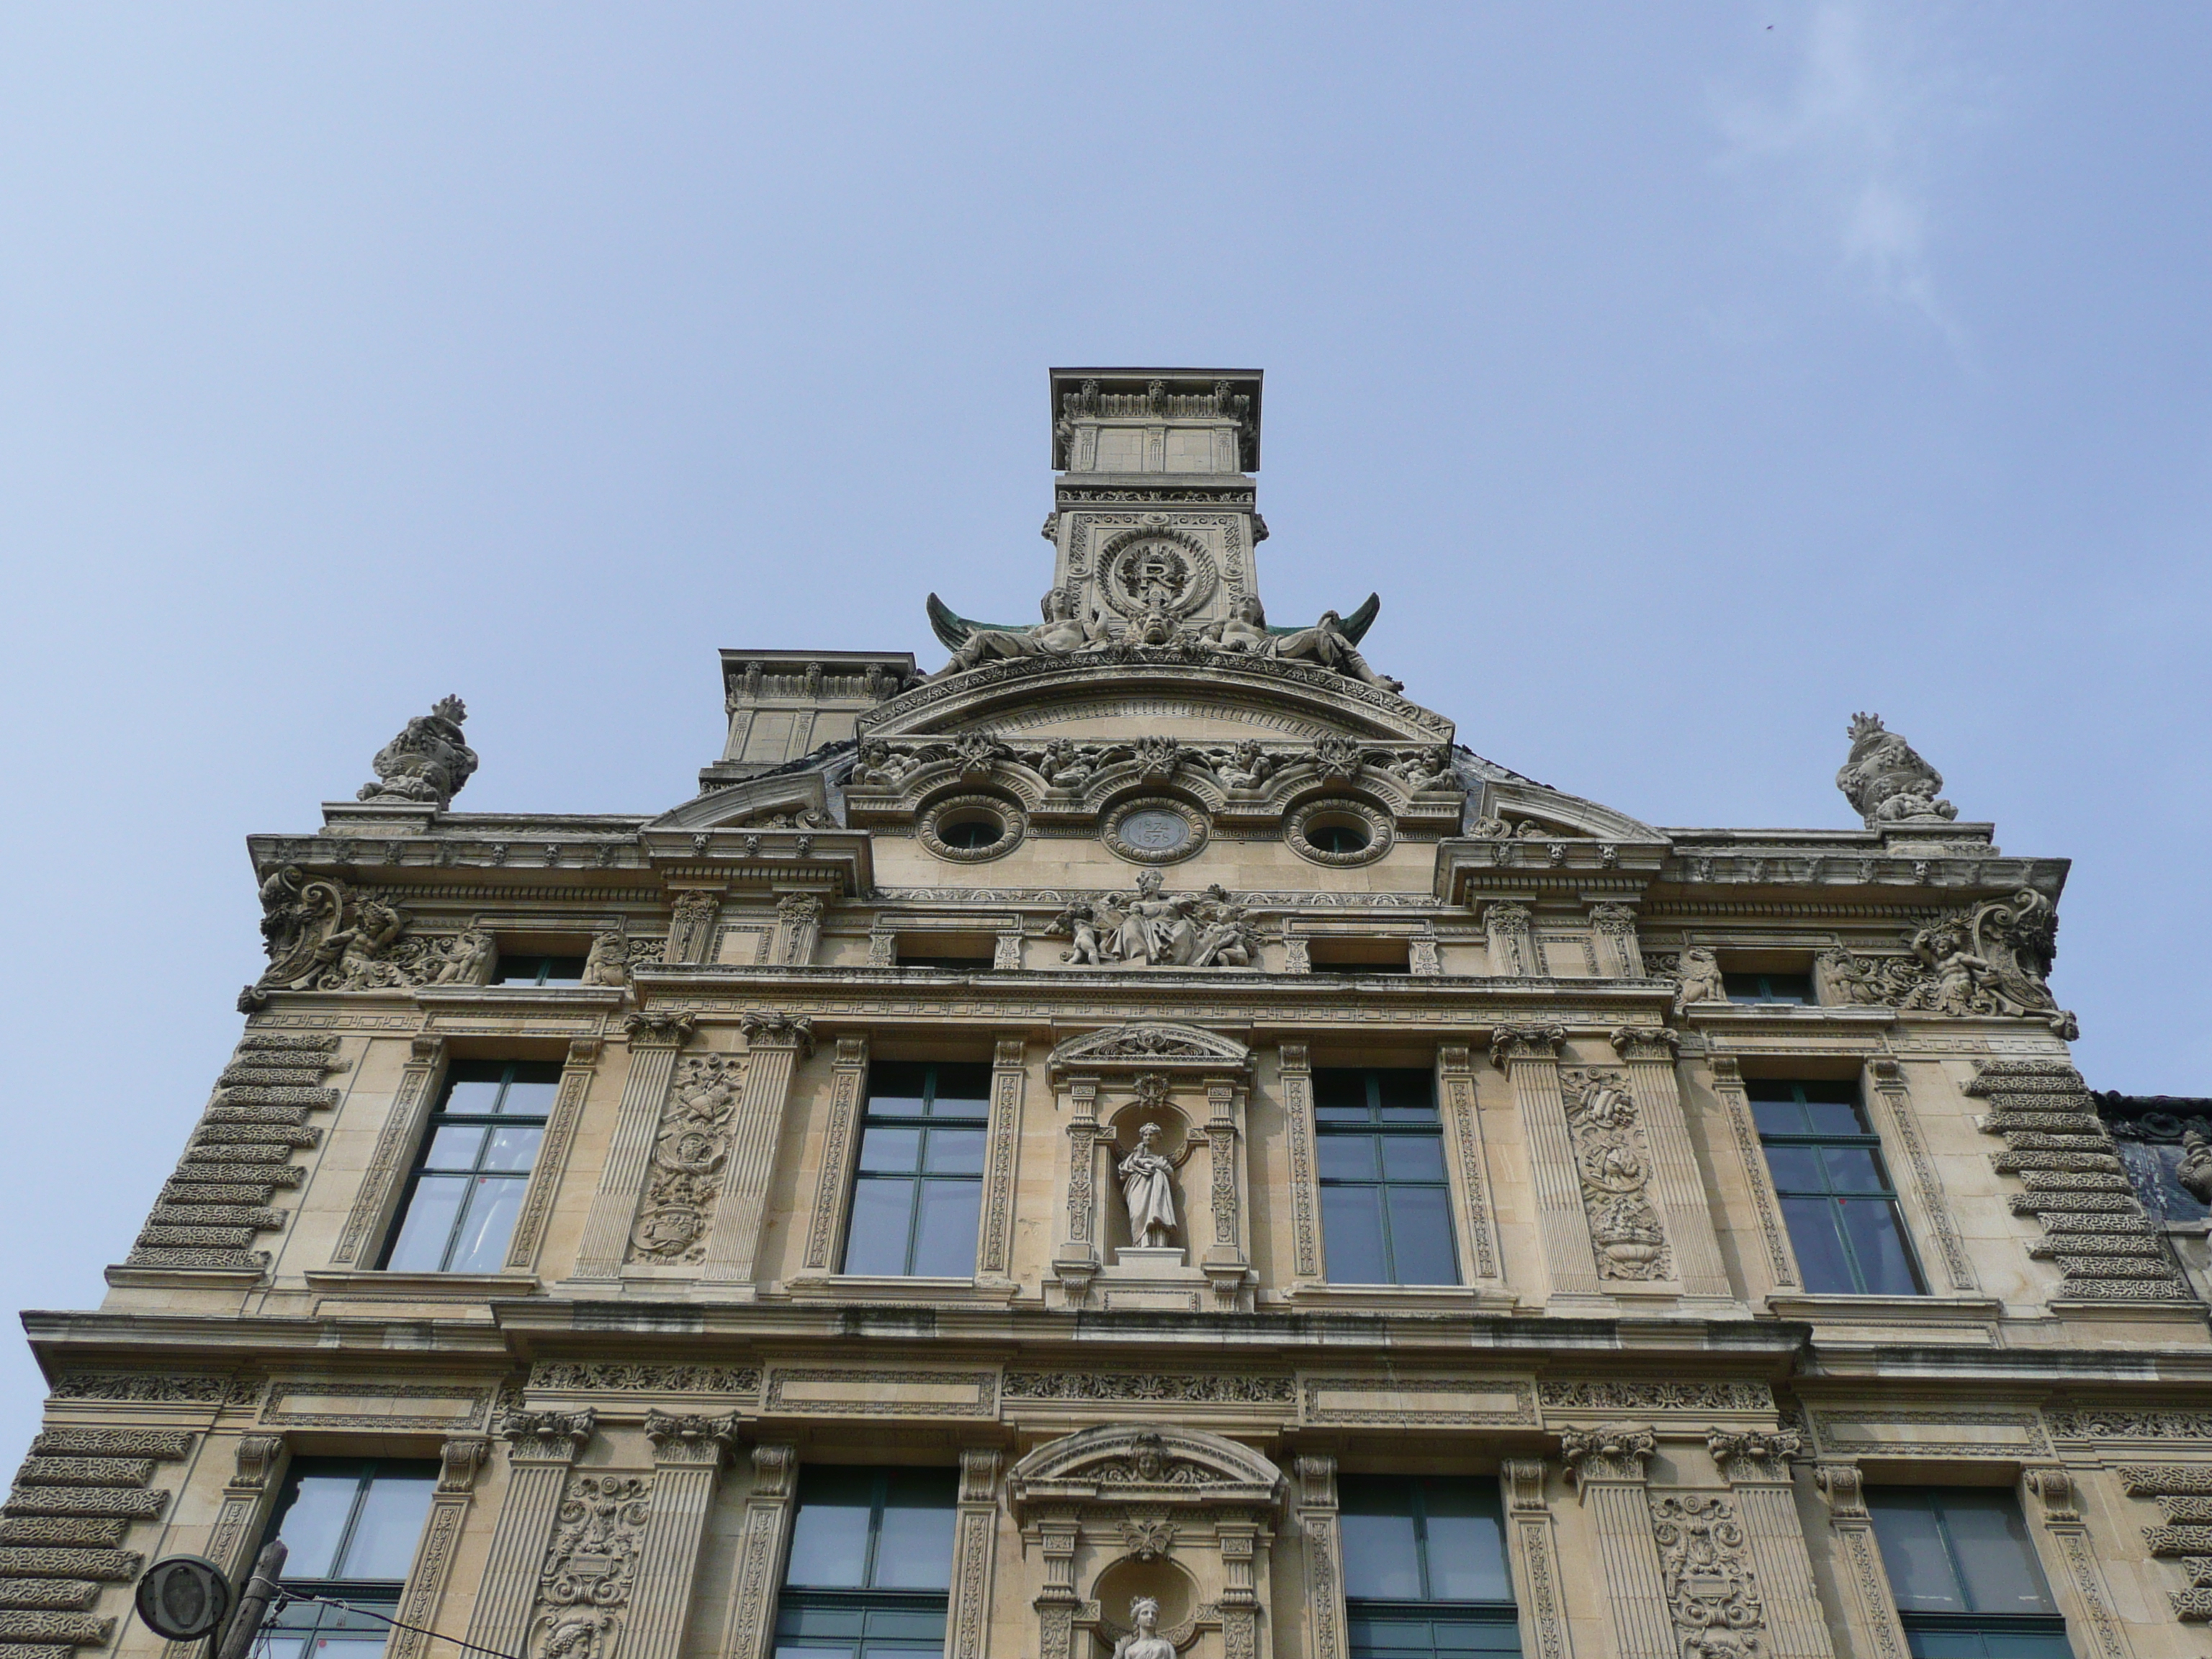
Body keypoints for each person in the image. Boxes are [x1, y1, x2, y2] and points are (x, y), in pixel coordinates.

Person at [1118, 1125, 1178, 1248]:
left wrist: (1151, 1164)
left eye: (1151, 1135)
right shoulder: (1133, 1157)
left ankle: (1158, 1244)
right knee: (1137, 1214)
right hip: (1137, 1187)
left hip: (1156, 1189)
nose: (1148, 1138)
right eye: (1145, 1135)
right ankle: (1139, 1243)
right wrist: (1139, 1157)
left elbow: (1170, 1173)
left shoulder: (1160, 1160)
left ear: (1158, 1138)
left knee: (1158, 1213)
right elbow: (1123, 1175)